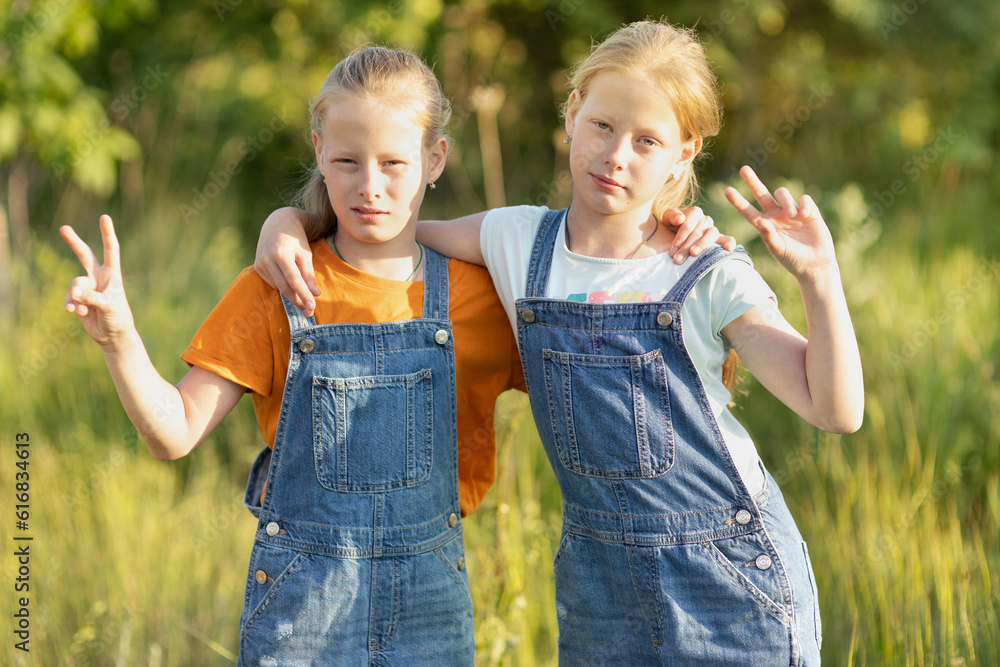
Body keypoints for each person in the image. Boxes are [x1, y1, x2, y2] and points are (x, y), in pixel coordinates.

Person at [60, 45, 730, 665]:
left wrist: (667, 238)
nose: (369, 186)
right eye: (348, 161)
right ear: (319, 151)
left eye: (394, 164)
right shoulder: (279, 287)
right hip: (303, 610)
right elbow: (172, 432)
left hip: (430, 612)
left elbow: (608, 365)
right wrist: (119, 335)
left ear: (435, 160)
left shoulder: (483, 294)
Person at [255, 21, 864, 666]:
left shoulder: (705, 267)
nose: (616, 155)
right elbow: (386, 225)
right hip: (599, 588)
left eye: (647, 141)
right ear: (572, 115)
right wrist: (288, 221)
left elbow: (835, 411)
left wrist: (819, 280)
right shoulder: (515, 241)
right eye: (602, 125)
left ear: (685, 153)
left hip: (731, 578)